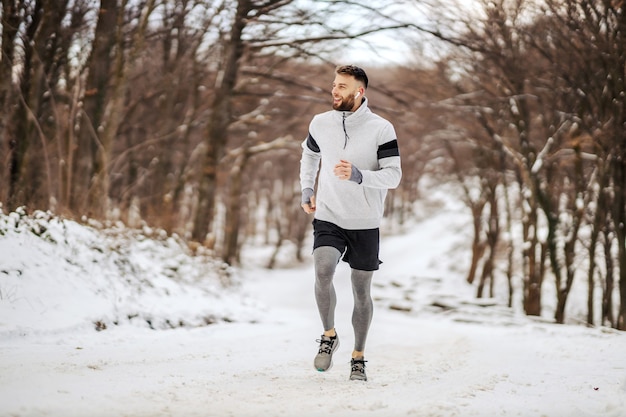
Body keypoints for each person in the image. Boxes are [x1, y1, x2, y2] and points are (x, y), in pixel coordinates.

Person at [299, 65, 402, 381]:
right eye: (334, 84)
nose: (334, 90)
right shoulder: (320, 123)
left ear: (360, 92)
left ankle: (358, 356)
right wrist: (307, 187)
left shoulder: (381, 129)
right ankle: (329, 335)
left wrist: (359, 175)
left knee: (361, 290)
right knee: (323, 269)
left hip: (365, 220)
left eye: (342, 86)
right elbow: (309, 154)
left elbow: (393, 176)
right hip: (329, 214)